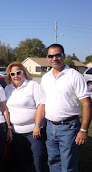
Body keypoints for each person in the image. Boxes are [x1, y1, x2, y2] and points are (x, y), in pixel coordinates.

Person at [41, 44, 92, 172]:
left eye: (57, 55)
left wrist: (84, 130)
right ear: (47, 58)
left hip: (69, 128)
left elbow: (86, 103)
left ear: (63, 56)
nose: (54, 58)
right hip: (50, 127)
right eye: (51, 56)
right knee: (53, 162)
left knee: (68, 166)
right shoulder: (45, 78)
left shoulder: (74, 75)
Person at [5, 62, 47, 172]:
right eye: (12, 74)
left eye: (18, 73)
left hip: (33, 132)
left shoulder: (33, 85)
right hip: (16, 133)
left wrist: (37, 125)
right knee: (22, 162)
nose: (15, 76)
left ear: (24, 73)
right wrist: (9, 128)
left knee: (38, 159)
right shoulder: (8, 89)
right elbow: (5, 110)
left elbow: (41, 105)